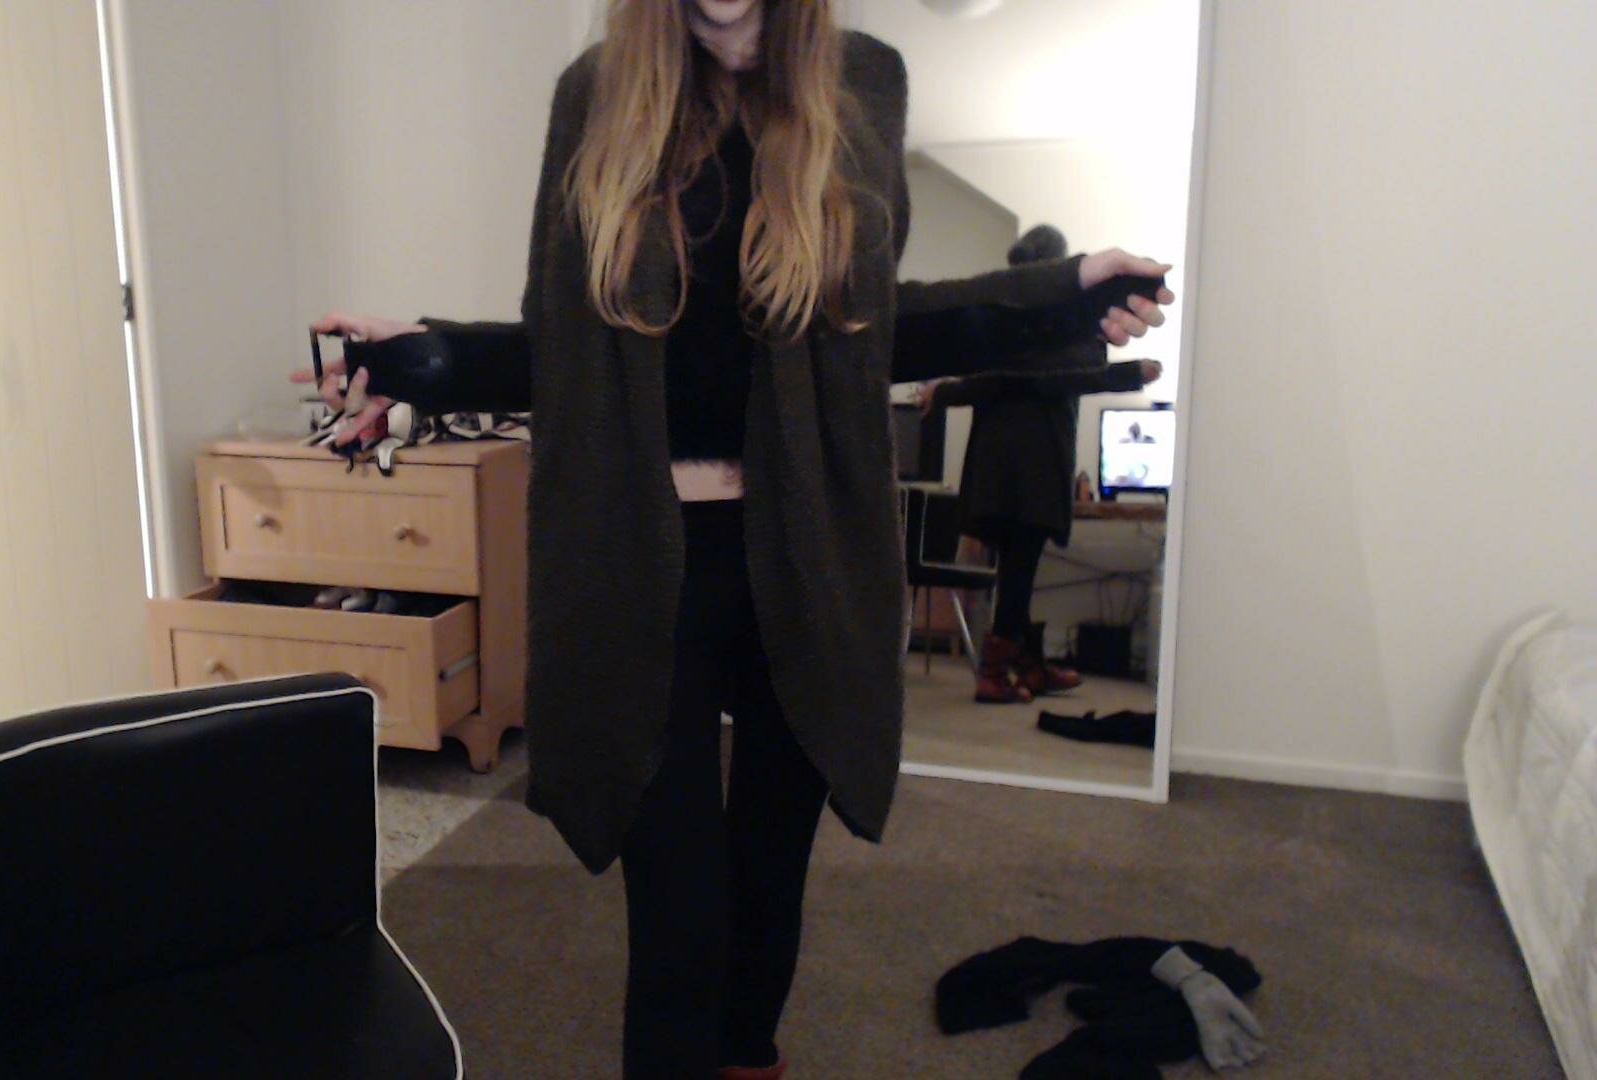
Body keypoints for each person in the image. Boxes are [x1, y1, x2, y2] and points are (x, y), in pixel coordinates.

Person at [311, 3, 1172, 1075]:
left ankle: (749, 1057)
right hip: (639, 560)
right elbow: (569, 349)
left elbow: (876, 330)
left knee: (770, 881)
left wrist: (1056, 300)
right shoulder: (598, 94)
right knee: (677, 913)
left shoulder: (863, 84)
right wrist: (425, 361)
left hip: (807, 557)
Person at [916, 224, 1164, 703]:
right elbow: (1058, 379)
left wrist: (944, 390)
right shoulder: (1065, 320)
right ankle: (995, 672)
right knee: (1019, 567)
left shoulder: (1004, 320)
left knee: (1017, 568)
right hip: (1032, 466)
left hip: (998, 466)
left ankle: (1027, 665)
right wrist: (1128, 374)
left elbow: (1001, 380)